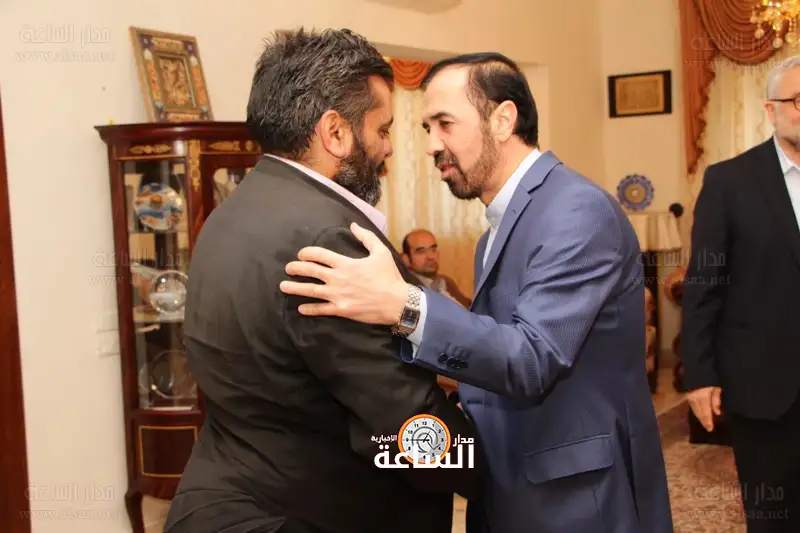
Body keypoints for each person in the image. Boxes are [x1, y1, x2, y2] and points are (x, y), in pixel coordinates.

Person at [279, 52, 673, 533]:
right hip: (513, 482)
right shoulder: (496, 231)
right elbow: (492, 349)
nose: (431, 145)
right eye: (427, 128)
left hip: (576, 497)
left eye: (445, 124)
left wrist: (404, 305)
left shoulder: (576, 210)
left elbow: (532, 358)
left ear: (503, 120)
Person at [163, 29, 483, 533]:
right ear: (335, 132)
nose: (389, 148)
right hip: (316, 512)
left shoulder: (229, 213)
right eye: (382, 129)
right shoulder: (330, 240)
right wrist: (480, 464)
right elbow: (399, 426)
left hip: (222, 501)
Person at [681, 54, 800, 533]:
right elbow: (703, 285)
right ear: (771, 110)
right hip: (764, 387)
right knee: (774, 518)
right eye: (798, 100)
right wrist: (700, 377)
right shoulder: (729, 182)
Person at [401, 229, 472, 307]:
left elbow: (469, 307)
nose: (431, 257)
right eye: (421, 252)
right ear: (406, 259)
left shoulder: (445, 281)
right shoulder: (408, 289)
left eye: (433, 250)